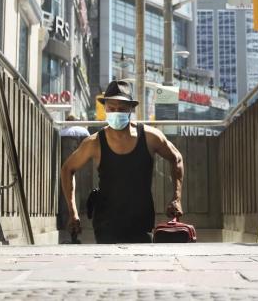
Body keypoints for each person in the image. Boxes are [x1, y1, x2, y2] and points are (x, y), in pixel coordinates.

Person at [60, 80, 184, 243]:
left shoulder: (150, 137)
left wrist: (176, 198)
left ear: (131, 109)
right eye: (112, 108)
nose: (116, 112)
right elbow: (67, 168)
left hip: (141, 222)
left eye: (122, 109)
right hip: (106, 223)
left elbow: (176, 158)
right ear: (105, 108)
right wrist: (73, 212)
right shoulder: (94, 143)